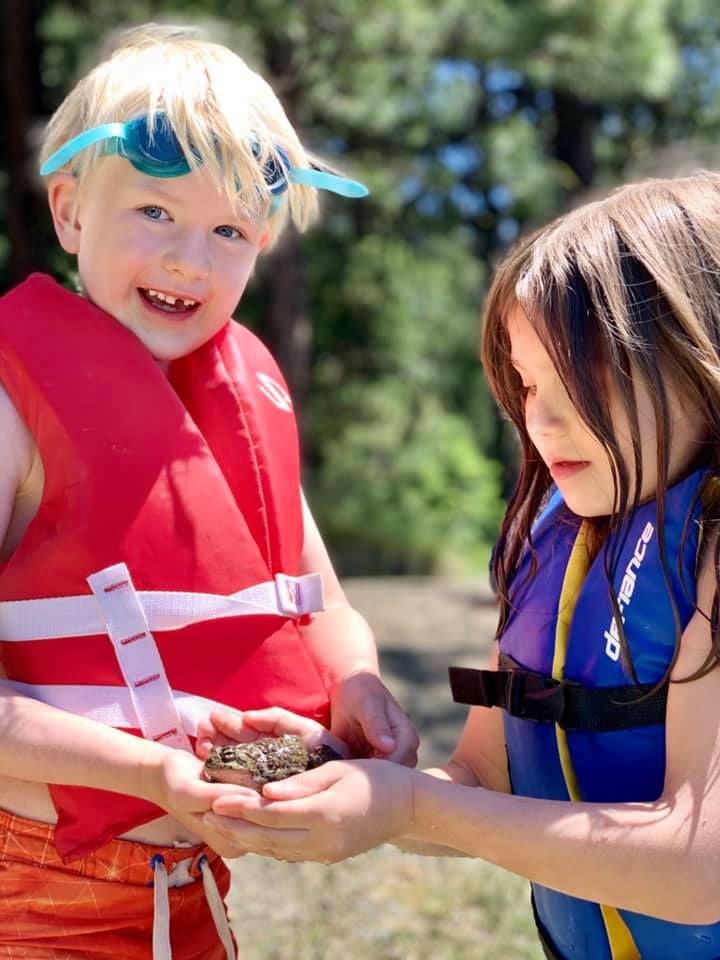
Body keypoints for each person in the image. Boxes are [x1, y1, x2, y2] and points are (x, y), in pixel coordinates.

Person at [201, 172, 720, 960]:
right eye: (529, 384)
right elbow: (480, 781)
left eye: (580, 380)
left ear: (696, 352)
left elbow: (700, 867)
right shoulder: (552, 538)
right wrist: (353, 775)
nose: (540, 421)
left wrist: (412, 807)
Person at [0, 22, 418, 960]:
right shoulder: (11, 403)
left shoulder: (240, 403)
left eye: (229, 230)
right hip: (26, 890)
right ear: (69, 212)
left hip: (188, 886)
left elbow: (323, 601)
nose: (192, 259)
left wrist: (358, 684)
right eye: (155, 212)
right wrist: (149, 773)